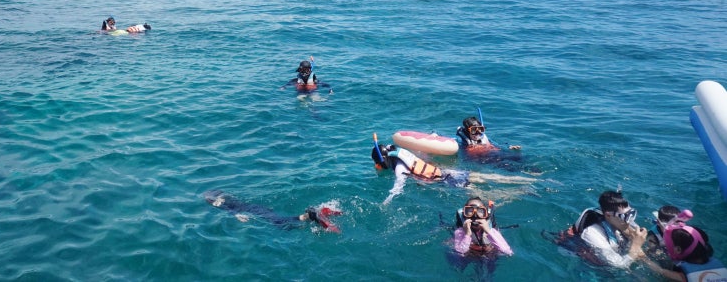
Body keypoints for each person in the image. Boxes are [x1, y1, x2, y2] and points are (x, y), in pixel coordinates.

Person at [370, 138, 534, 205]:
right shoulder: (405, 154)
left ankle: (520, 192)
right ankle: (531, 180)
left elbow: (399, 185)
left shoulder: (400, 168)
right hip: (451, 171)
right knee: (491, 177)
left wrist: (388, 199)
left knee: (480, 196)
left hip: (448, 180)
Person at [643, 209, 727, 281]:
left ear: (678, 250)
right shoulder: (717, 264)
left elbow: (659, 270)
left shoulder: (682, 276)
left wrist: (638, 253)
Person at [573, 190, 647, 268]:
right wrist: (636, 245)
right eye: (624, 216)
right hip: (593, 267)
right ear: (608, 215)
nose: (629, 221)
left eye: (631, 214)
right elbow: (619, 264)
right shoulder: (592, 233)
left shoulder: (623, 221)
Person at [204, 190, 342, 233]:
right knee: (278, 221)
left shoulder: (218, 202)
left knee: (278, 222)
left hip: (253, 210)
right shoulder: (226, 196)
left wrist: (237, 215)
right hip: (255, 207)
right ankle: (306, 218)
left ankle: (309, 216)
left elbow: (227, 208)